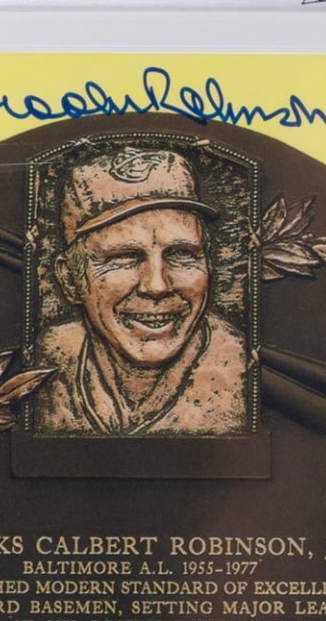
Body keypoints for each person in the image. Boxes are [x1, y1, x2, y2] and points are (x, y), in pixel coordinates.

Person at [33, 145, 248, 436]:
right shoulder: (46, 359)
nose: (157, 286)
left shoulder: (243, 370)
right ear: (70, 280)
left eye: (181, 254)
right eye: (124, 257)